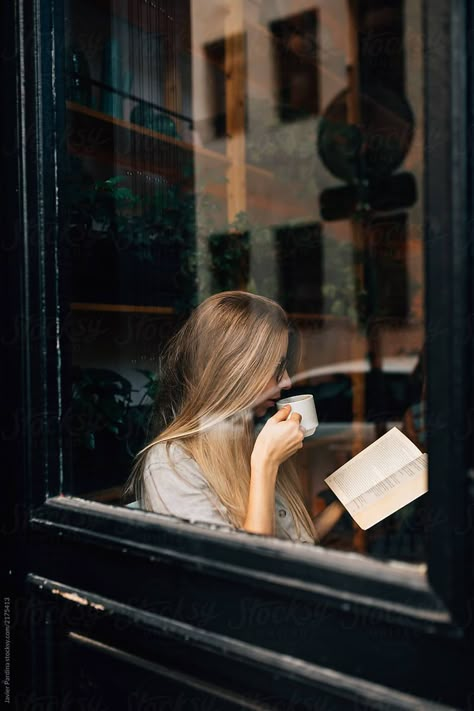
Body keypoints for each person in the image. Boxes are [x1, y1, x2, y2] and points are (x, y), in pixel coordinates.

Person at [124, 291, 345, 544]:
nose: (286, 381)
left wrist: (343, 505)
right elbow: (243, 573)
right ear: (234, 371)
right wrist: (265, 463)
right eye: (276, 368)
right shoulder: (172, 464)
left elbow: (292, 547)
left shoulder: (248, 439)